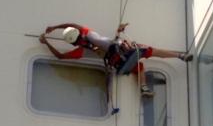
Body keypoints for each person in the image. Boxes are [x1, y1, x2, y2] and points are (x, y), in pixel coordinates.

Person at [38, 22, 192, 97]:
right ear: (78, 33)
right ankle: (180, 56)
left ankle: (144, 88)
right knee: (152, 51)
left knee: (139, 68)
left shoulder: (80, 51)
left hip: (118, 63)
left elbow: (60, 56)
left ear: (72, 42)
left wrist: (47, 42)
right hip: (126, 51)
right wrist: (55, 27)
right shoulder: (88, 34)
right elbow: (73, 24)